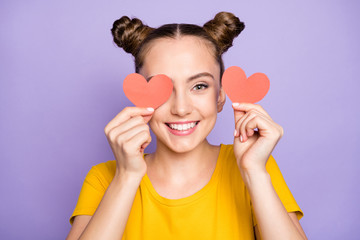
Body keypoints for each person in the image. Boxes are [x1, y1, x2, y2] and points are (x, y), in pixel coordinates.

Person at [66, 12, 307, 240]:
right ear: (141, 95)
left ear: (220, 97)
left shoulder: (254, 168)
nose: (181, 108)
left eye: (199, 86)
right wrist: (127, 176)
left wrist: (254, 172)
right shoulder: (104, 179)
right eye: (163, 88)